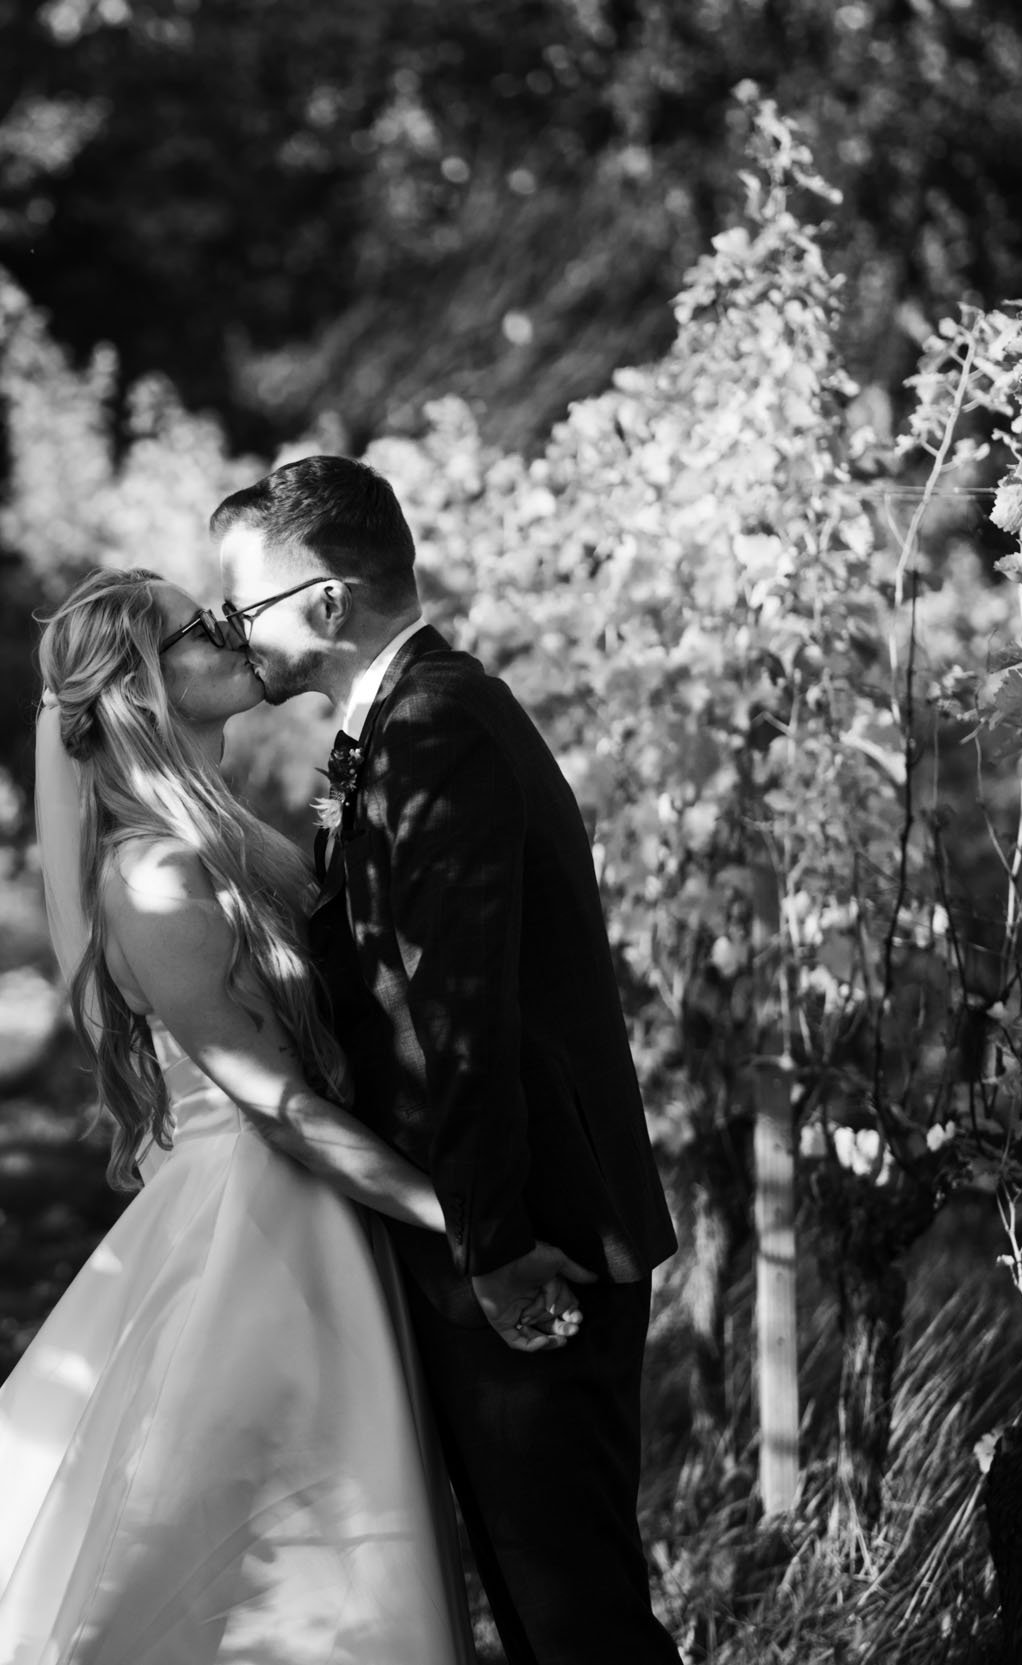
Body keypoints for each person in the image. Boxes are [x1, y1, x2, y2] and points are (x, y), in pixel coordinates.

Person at [0, 566, 471, 1664]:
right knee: (240, 1539)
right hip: (257, 1226)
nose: (229, 633)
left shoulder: (226, 835)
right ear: (145, 687)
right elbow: (282, 1107)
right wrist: (457, 1213)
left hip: (311, 1203)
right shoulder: (152, 876)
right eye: (198, 630)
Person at [214, 454, 681, 1665]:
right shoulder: (415, 719)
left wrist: (492, 1247)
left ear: (326, 599)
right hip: (494, 1223)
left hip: (530, 1236)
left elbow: (460, 1014)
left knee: (577, 1620)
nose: (229, 634)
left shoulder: (435, 727)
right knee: (547, 1609)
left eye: (241, 607)